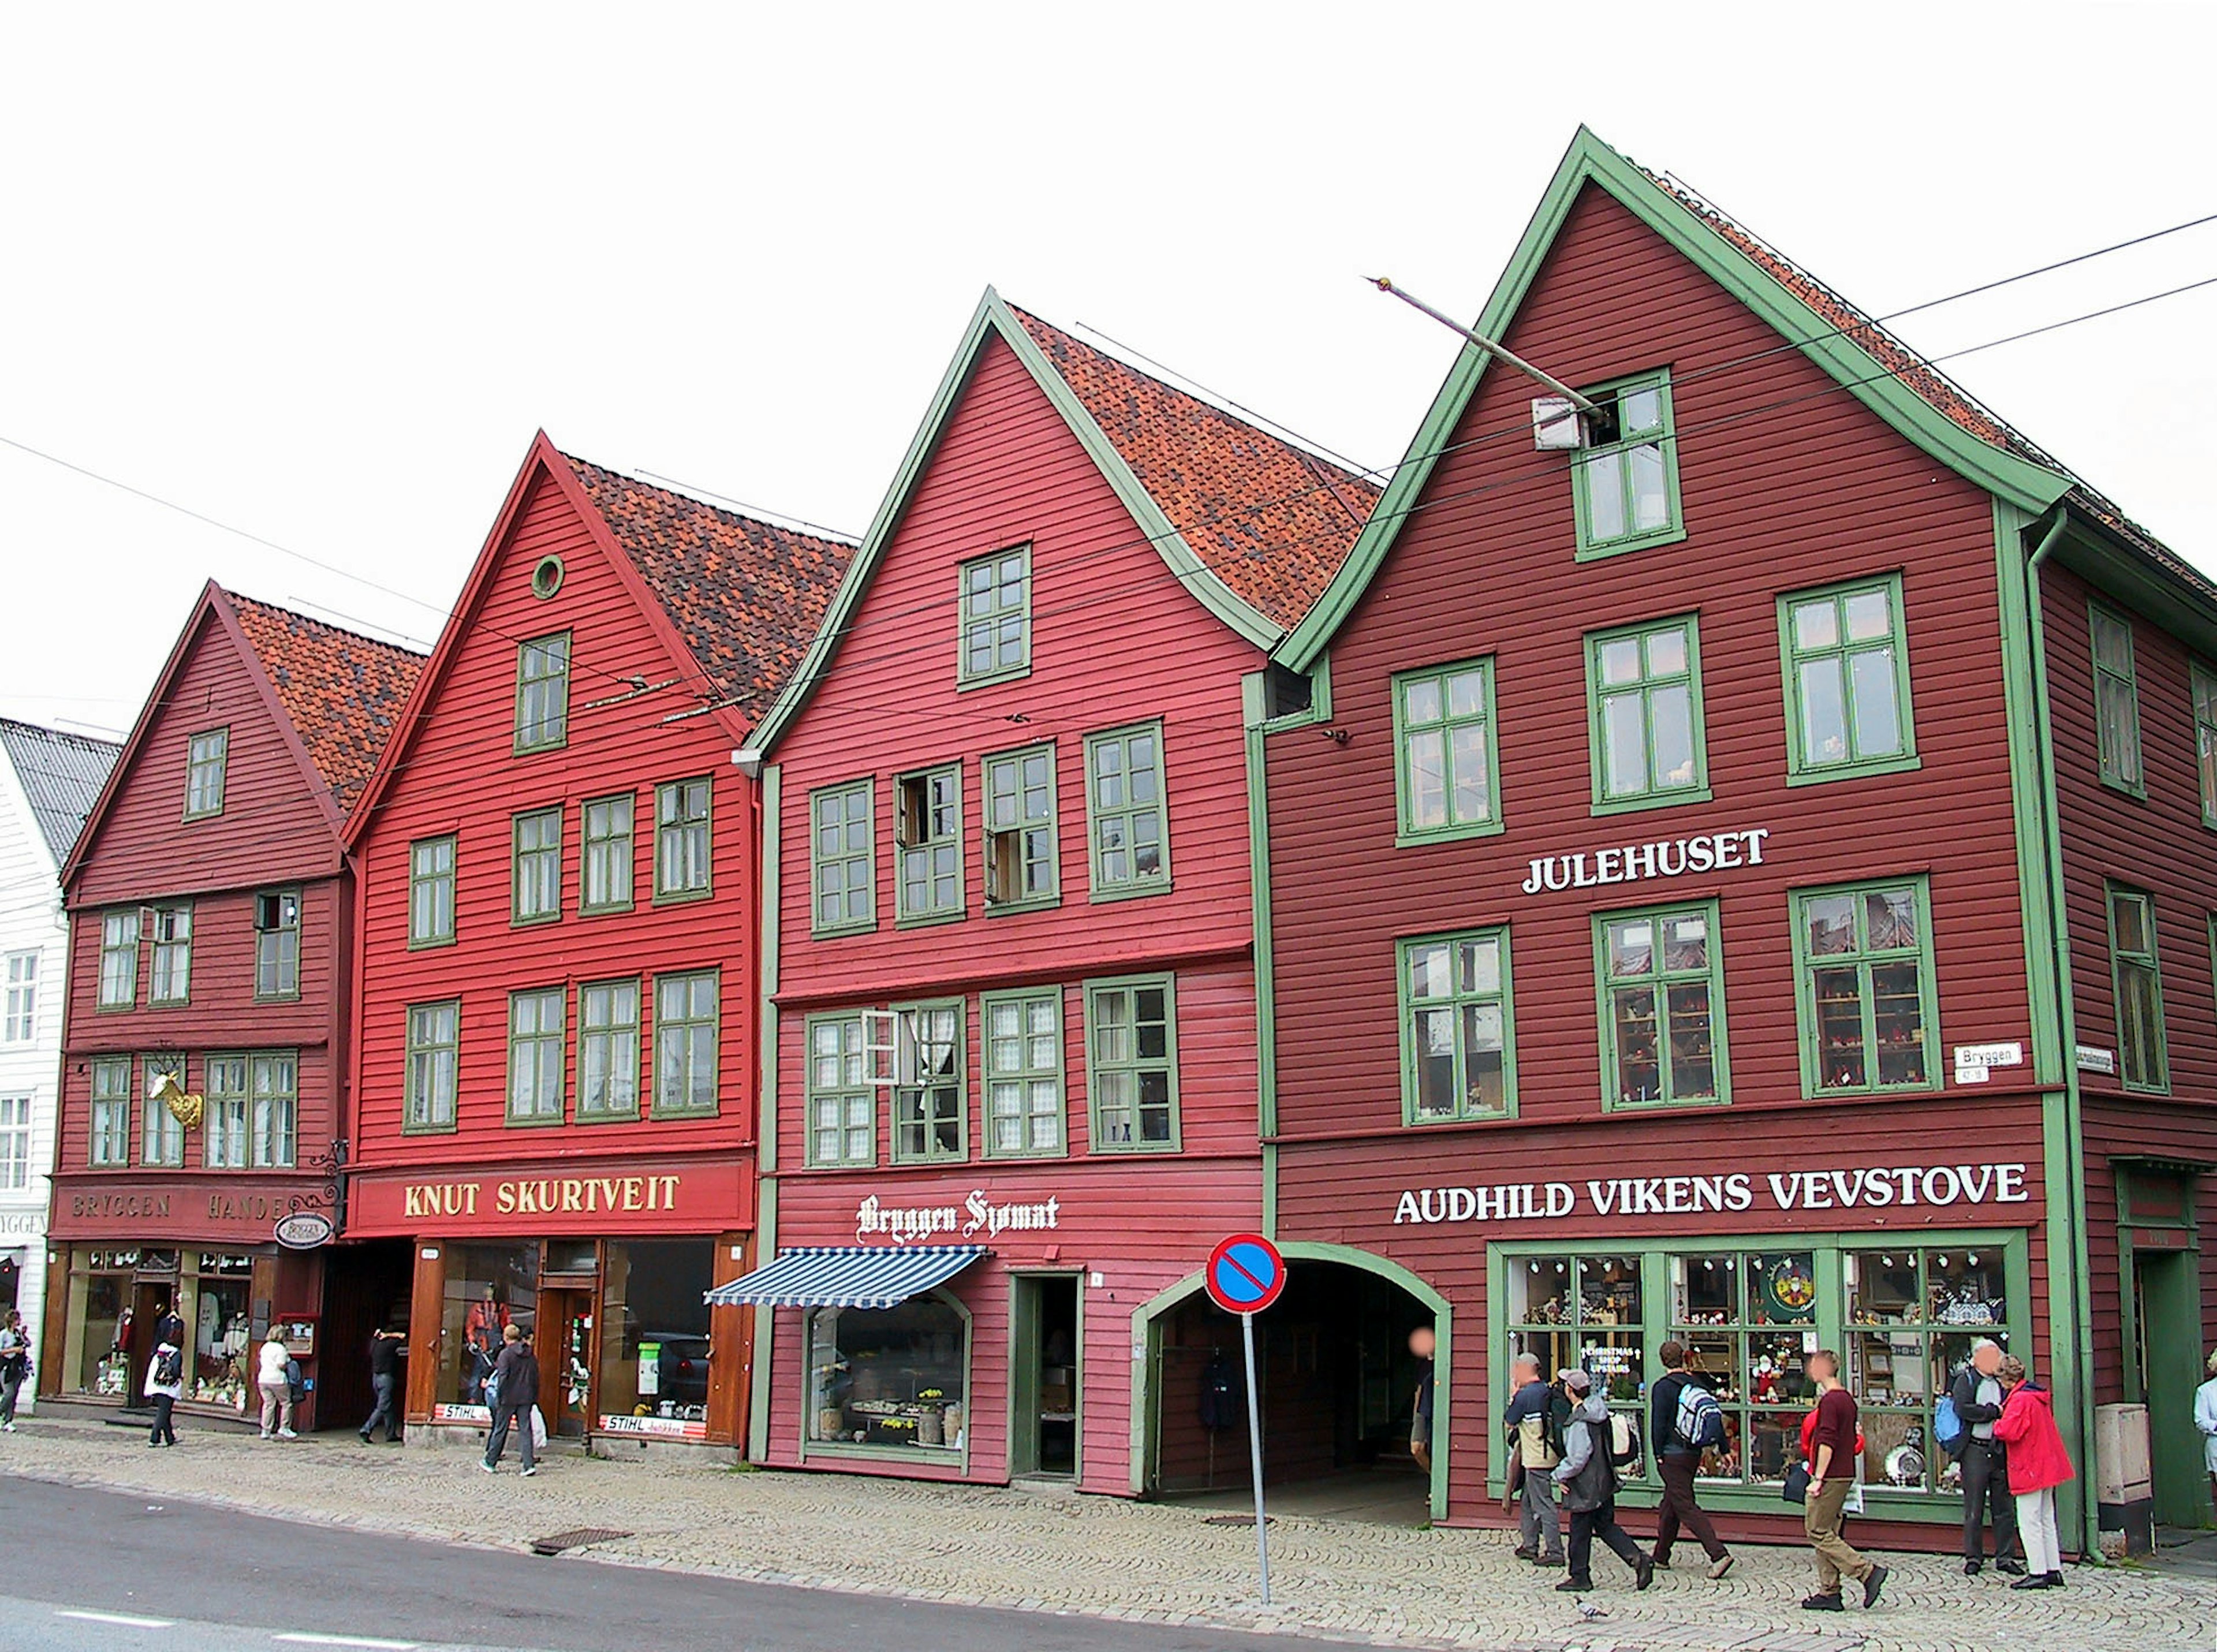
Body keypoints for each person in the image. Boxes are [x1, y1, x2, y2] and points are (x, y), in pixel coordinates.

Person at [1550, 1369, 1652, 1594]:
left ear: (1570, 1390)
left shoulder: (1578, 1419)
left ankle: (1580, 1575)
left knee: (1579, 1530)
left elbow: (1578, 1457)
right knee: (1606, 1525)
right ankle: (1638, 1558)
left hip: (1585, 1483)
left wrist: (1559, 1474)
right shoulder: (1599, 1411)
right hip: (1604, 1477)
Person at [1801, 1348, 1887, 1611]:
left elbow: (1827, 1442)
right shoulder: (1847, 1399)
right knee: (1828, 1530)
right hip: (1845, 1471)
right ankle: (1830, 1591)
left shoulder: (1830, 1402)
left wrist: (1818, 1478)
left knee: (1817, 1530)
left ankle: (1866, 1572)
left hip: (1832, 1474)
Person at [1649, 1340, 1733, 1579]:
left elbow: (1659, 1424)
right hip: (1693, 1453)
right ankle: (1661, 1555)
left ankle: (1718, 1554)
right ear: (1684, 1359)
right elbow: (1715, 1418)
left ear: (1663, 1360)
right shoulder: (1696, 1383)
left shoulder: (1662, 1387)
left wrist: (1657, 1454)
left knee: (1684, 1504)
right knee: (1671, 1502)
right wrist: (1724, 1449)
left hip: (1672, 1453)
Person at [1992, 1354, 2072, 1590]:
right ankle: (2052, 1568)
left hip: (2030, 1466)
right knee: (2046, 1518)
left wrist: (1997, 1422)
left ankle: (2038, 1571)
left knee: (2030, 1521)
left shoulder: (2019, 1401)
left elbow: (2008, 1431)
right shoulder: (2035, 1395)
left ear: (2006, 1379)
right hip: (2047, 1464)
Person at [1949, 1338, 2023, 1575]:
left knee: (2004, 1506)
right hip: (1974, 1449)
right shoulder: (1967, 1380)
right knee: (1974, 1507)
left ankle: (2006, 1556)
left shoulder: (2002, 1383)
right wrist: (1993, 1412)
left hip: (1999, 1447)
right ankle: (1974, 1556)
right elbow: (1963, 1409)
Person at [1500, 1353, 1565, 1567]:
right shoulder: (1546, 1390)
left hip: (1536, 1457)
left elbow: (1510, 1421)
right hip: (1547, 1453)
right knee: (1529, 1500)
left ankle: (1555, 1551)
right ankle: (1530, 1544)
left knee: (1544, 1504)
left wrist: (1514, 1395)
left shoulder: (1525, 1395)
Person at [481, 1322, 540, 1476]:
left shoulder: (506, 1355)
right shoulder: (530, 1354)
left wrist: (499, 1396)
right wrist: (534, 1396)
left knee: (501, 1429)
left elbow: (503, 1377)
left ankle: (490, 1461)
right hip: (526, 1396)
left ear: (506, 1338)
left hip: (508, 1397)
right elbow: (535, 1377)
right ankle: (528, 1465)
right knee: (526, 1430)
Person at [360, 1324, 405, 1443]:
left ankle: (391, 1434)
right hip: (386, 1378)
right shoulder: (390, 1344)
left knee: (388, 1407)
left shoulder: (374, 1344)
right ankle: (366, 1429)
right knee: (383, 1406)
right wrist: (389, 1335)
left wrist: (377, 1335)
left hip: (375, 1378)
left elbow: (373, 1340)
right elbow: (403, 1336)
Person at [257, 1327, 297, 1439]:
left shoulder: (265, 1347)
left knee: (269, 1404)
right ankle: (284, 1428)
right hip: (277, 1379)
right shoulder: (281, 1349)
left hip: (264, 1378)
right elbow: (281, 1365)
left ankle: (266, 1430)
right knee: (286, 1403)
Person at [1406, 1325, 1436, 1475]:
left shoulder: (1442, 1363)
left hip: (1437, 1413)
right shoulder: (1423, 1366)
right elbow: (1419, 1390)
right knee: (1416, 1448)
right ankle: (1434, 1477)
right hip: (1422, 1412)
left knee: (1434, 1448)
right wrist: (1415, 1413)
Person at [144, 1335, 182, 1447]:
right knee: (163, 1414)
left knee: (165, 1413)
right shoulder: (176, 1354)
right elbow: (176, 1371)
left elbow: (152, 1372)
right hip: (168, 1388)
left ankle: (170, 1438)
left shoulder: (158, 1355)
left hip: (156, 1386)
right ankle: (154, 1438)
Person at [0, 1308, 31, 1431]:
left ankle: (8, 1420)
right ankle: (1, 1411)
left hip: (17, 1366)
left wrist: (23, 1335)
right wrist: (14, 1350)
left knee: (15, 1394)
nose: (19, 1322)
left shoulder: (18, 1334)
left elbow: (27, 1344)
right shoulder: (3, 1335)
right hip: (6, 1365)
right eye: (17, 1320)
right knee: (9, 1393)